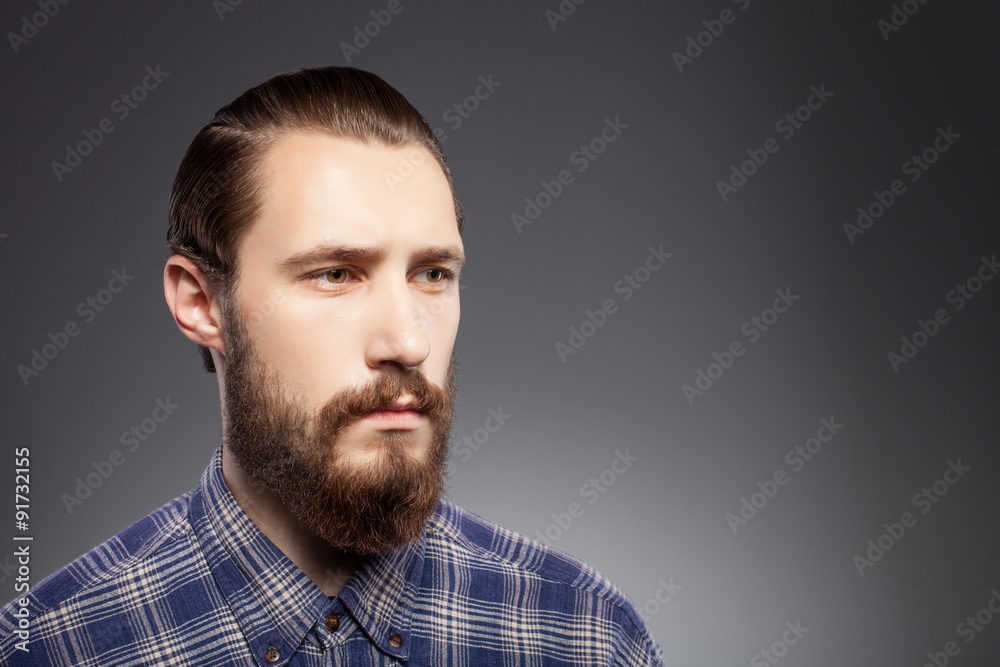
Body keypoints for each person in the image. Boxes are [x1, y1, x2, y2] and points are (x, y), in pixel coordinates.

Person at [0, 66, 663, 666]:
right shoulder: (53, 649)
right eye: (337, 274)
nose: (409, 342)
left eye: (433, 273)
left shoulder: (585, 636)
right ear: (202, 304)